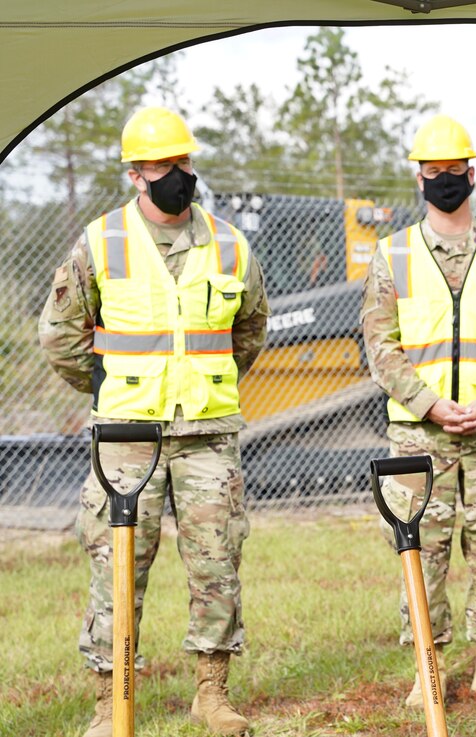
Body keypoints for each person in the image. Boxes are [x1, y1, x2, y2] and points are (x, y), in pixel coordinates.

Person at [38, 106, 269, 737]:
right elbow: (59, 332)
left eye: (185, 162)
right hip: (124, 438)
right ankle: (111, 702)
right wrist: (107, 384)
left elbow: (249, 329)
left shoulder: (229, 241)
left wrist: (207, 382)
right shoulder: (101, 241)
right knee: (116, 568)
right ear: (137, 175)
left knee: (217, 562)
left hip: (207, 437)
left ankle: (212, 694)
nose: (179, 175)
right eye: (165, 166)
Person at [361, 114, 476, 713]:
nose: (444, 179)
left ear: (471, 171)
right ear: (419, 176)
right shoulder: (393, 254)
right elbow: (381, 348)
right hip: (416, 437)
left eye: (453, 169)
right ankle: (426, 669)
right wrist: (430, 404)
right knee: (418, 549)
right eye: (433, 171)